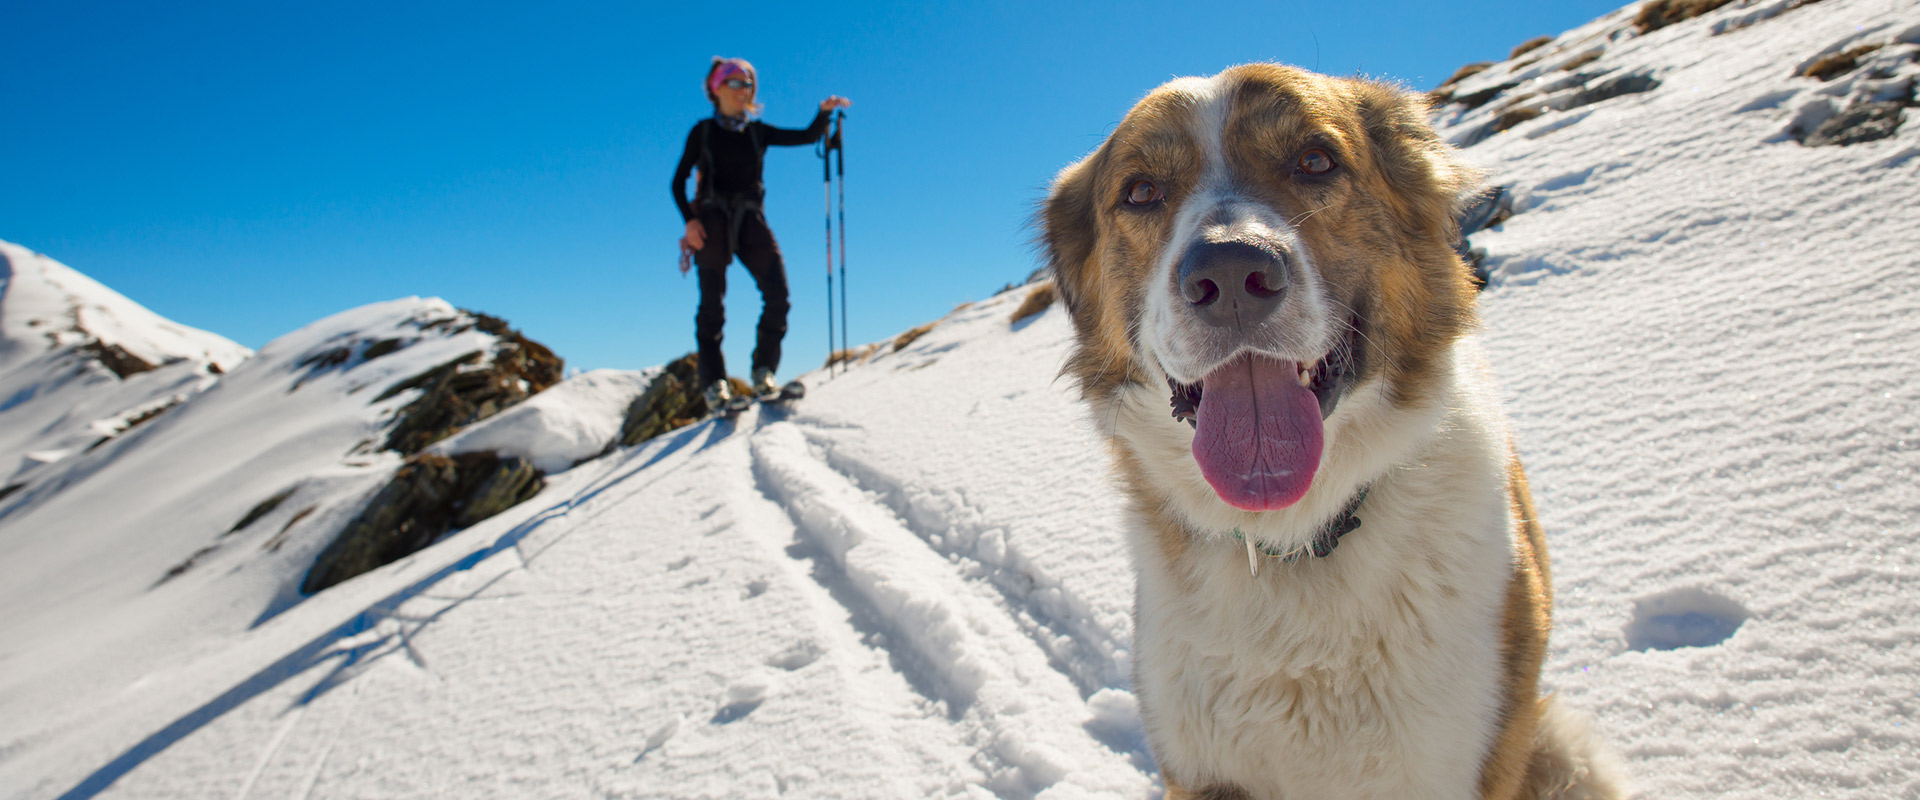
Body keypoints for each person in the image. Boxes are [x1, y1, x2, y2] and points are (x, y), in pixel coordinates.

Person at [671, 56, 850, 411]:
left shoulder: (758, 132)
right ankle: (715, 386)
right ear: (716, 88)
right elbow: (677, 182)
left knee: (778, 294)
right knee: (711, 307)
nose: (744, 90)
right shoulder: (702, 132)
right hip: (711, 223)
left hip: (752, 221)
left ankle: (763, 371)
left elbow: (807, 136)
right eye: (736, 82)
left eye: (749, 84)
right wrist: (689, 223)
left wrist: (823, 112)